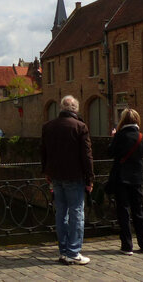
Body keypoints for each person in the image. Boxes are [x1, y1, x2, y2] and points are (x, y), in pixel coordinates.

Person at [41, 95, 94, 265]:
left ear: (62, 109)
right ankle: (73, 252)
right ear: (75, 110)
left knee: (61, 213)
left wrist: (46, 171)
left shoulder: (48, 126)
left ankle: (63, 251)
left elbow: (44, 151)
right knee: (77, 213)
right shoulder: (80, 127)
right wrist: (90, 178)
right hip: (74, 176)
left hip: (56, 175)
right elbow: (87, 156)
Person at [108, 108, 143, 255]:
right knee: (139, 211)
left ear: (123, 120)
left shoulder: (120, 136)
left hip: (121, 178)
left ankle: (127, 245)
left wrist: (113, 138)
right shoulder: (141, 136)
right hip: (137, 178)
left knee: (124, 211)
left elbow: (111, 152)